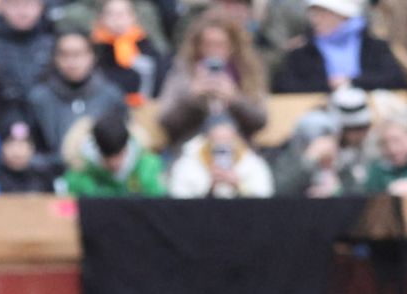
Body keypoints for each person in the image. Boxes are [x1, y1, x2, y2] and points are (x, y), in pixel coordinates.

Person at [156, 10, 267, 148]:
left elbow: (260, 120)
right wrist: (193, 97)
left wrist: (234, 99)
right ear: (198, 45)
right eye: (208, 44)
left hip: (238, 149)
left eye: (220, 45)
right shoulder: (183, 70)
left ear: (232, 46)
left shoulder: (246, 70)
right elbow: (166, 121)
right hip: (192, 149)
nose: (213, 51)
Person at [24, 30, 127, 177]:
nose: (71, 62)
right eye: (64, 55)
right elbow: (32, 149)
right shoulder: (39, 99)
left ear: (92, 56)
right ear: (55, 58)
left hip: (103, 178)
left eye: (78, 54)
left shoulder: (111, 96)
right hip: (52, 177)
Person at [270, 0, 407, 94]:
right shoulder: (301, 53)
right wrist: (329, 86)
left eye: (323, 13)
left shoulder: (375, 47)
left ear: (343, 15)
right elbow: (283, 87)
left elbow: (396, 80)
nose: (315, 20)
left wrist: (351, 82)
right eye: (314, 13)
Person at [62, 110, 165, 195]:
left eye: (119, 155)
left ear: (127, 147)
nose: (114, 163)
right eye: (108, 157)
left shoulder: (147, 167)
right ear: (96, 151)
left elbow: (161, 202)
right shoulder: (80, 174)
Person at [168, 112, 272, 196]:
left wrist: (238, 186)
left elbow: (264, 196)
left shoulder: (251, 162)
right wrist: (210, 188)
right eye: (216, 140)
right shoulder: (189, 162)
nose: (222, 145)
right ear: (206, 138)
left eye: (227, 140)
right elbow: (179, 199)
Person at [90, 0, 166, 107]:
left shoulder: (144, 43)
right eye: (111, 14)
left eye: (122, 14)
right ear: (101, 18)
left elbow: (160, 73)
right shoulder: (96, 48)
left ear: (133, 17)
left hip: (146, 106)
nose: (117, 19)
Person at [0, 0, 55, 117]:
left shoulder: (55, 41)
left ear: (41, 7)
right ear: (2, 7)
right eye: (15, 4)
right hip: (1, 116)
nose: (22, 12)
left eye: (28, 4)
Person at [0, 119, 53, 190]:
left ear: (32, 147)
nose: (17, 152)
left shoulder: (43, 176)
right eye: (11, 143)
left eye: (22, 144)